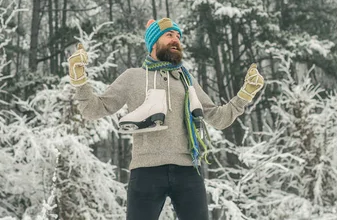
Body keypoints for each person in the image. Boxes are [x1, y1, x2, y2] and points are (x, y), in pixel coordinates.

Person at [68, 17, 265, 220]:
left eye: (178, 36)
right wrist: (79, 80)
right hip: (146, 171)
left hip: (188, 170)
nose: (176, 40)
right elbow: (93, 109)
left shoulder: (186, 80)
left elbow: (218, 118)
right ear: (153, 42)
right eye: (169, 35)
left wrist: (245, 94)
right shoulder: (133, 77)